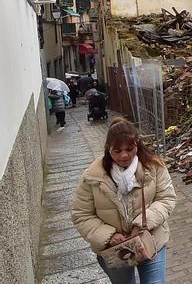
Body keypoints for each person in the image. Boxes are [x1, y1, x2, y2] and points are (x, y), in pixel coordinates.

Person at [71, 118, 176, 284]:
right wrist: (109, 235)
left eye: (129, 149)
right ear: (108, 149)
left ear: (137, 145)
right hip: (113, 249)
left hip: (150, 238)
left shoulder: (154, 167)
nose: (124, 155)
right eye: (117, 151)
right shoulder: (92, 177)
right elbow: (81, 214)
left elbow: (166, 198)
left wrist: (141, 224)